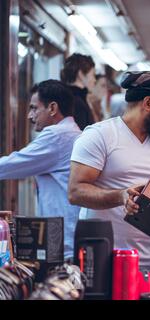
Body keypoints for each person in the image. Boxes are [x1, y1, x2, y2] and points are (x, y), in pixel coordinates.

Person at [68, 71, 150, 291]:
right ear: (148, 103)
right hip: (102, 259)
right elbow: (75, 191)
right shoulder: (99, 135)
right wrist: (120, 196)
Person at [0, 80, 81, 260]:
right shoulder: (73, 133)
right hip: (69, 237)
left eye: (34, 108)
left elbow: (13, 164)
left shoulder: (57, 135)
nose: (30, 116)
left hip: (63, 243)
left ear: (52, 108)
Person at [61, 53, 96, 130]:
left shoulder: (67, 97)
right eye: (93, 75)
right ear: (80, 74)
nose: (94, 80)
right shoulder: (77, 103)